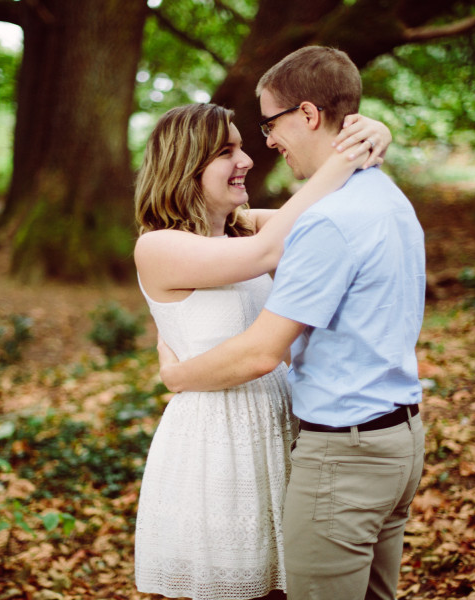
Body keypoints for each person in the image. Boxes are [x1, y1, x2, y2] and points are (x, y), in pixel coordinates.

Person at [158, 46, 426, 600]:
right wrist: (352, 151)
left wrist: (177, 376)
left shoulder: (319, 221)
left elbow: (262, 347)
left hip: (342, 456)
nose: (262, 147)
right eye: (229, 150)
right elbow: (277, 238)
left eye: (267, 125)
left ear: (307, 115)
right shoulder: (384, 197)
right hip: (384, 439)